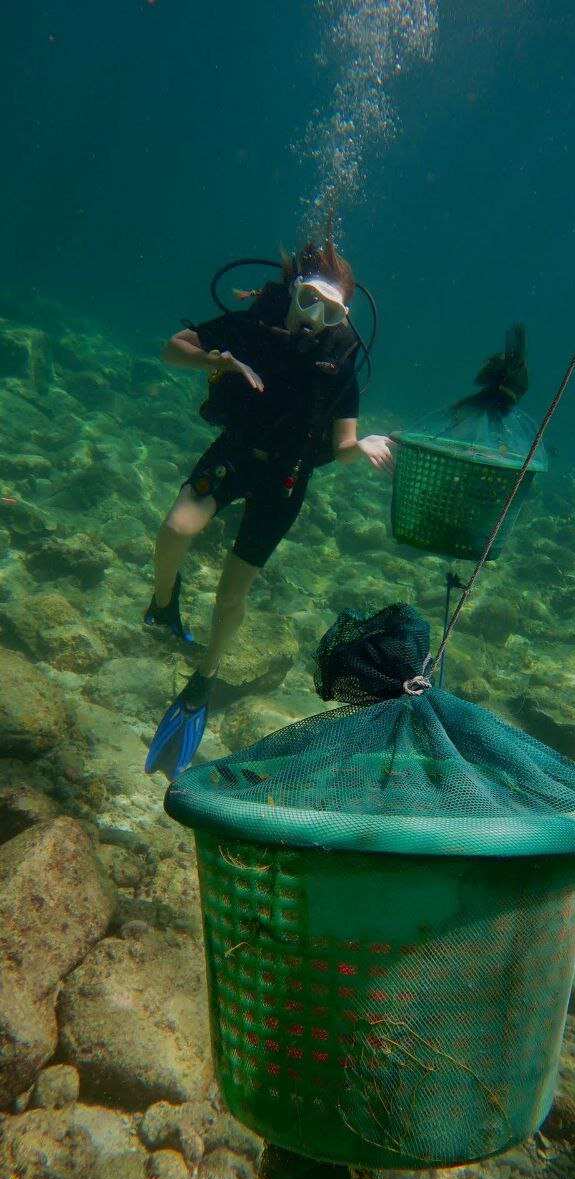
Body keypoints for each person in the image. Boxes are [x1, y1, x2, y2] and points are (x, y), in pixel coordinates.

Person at [144, 224, 393, 780]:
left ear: (344, 316)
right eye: (308, 301)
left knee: (232, 594)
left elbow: (343, 446)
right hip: (237, 450)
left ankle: (203, 679)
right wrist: (224, 363)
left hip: (287, 479)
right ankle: (164, 600)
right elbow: (172, 349)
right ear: (294, 291)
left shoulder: (341, 358)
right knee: (177, 529)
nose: (313, 320)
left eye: (330, 313)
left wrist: (367, 446)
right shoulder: (254, 326)